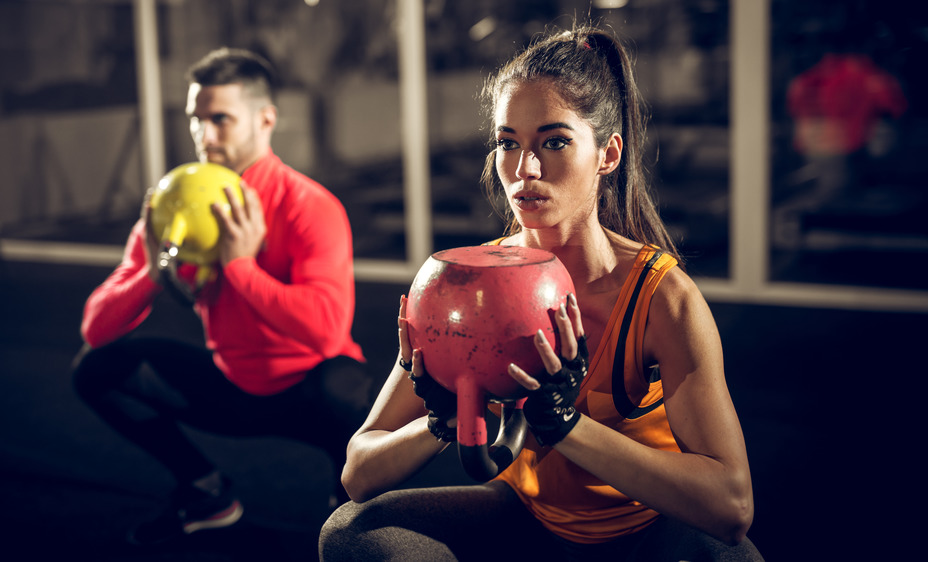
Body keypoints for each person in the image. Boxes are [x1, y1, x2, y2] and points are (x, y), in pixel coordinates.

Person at [319, 26, 763, 561]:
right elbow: (359, 471)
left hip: (643, 535)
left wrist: (566, 426)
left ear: (608, 154)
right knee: (352, 533)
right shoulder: (465, 288)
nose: (524, 169)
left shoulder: (661, 299)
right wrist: (442, 421)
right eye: (509, 143)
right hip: (527, 522)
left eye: (554, 141)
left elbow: (731, 506)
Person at [72, 47, 372, 546]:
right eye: (196, 120)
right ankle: (208, 493)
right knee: (97, 369)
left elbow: (327, 330)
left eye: (221, 120)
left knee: (360, 394)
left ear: (265, 120)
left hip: (308, 393)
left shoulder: (309, 205)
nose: (205, 136)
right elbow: (96, 327)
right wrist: (152, 269)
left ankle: (351, 511)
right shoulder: (176, 204)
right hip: (228, 382)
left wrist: (238, 267)